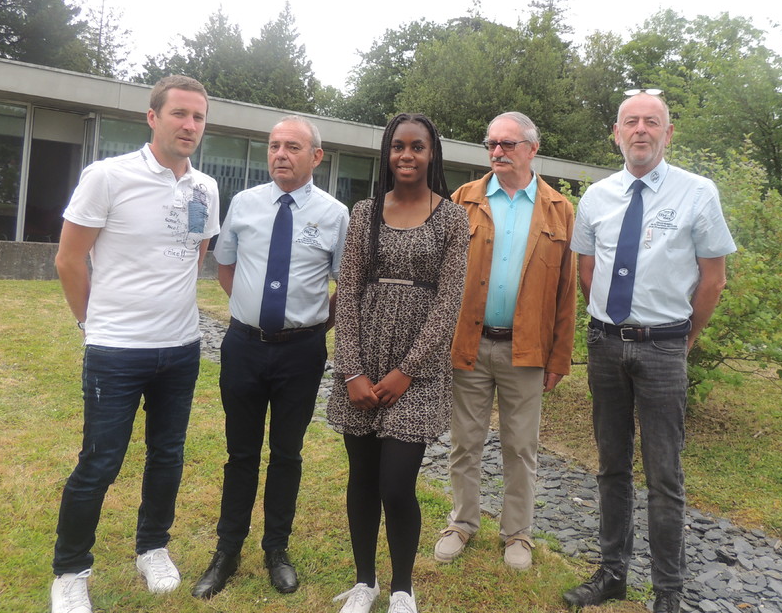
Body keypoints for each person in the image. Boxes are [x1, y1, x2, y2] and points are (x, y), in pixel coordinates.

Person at [50, 75, 220, 613]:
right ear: (152, 117)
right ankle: (70, 571)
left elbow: (194, 254)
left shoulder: (206, 187)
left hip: (181, 347)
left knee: (167, 456)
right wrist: (92, 324)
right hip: (117, 351)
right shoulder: (108, 177)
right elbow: (68, 259)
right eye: (179, 114)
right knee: (99, 462)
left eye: (198, 117)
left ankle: (152, 548)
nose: (189, 125)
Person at [564, 90, 736, 612]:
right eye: (631, 121)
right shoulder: (596, 197)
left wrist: (685, 338)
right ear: (616, 133)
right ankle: (612, 573)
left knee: (664, 474)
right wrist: (608, 321)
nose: (641, 129)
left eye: (652, 122)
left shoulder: (697, 193)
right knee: (611, 466)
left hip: (664, 347)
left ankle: (668, 592)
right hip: (605, 345)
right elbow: (586, 270)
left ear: (668, 133)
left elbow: (713, 278)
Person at [191, 116, 349, 598]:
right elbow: (226, 265)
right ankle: (227, 551)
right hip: (244, 347)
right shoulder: (244, 203)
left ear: (316, 156)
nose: (280, 154)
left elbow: (345, 284)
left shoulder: (336, 215)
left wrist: (310, 326)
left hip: (301, 353)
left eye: (292, 147)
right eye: (274, 145)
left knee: (286, 454)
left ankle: (276, 549)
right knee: (240, 453)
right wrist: (253, 312)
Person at [326, 113, 469, 613]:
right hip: (363, 360)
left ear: (432, 154)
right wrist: (352, 371)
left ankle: (403, 588)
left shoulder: (452, 218)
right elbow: (347, 293)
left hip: (418, 370)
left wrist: (407, 370)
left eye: (417, 147)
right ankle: (364, 582)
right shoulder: (365, 212)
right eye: (398, 146)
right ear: (387, 153)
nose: (406, 155)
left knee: (396, 484)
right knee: (362, 480)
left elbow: (449, 303)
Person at [433, 111, 576, 571]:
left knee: (520, 447)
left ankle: (518, 533)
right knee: (465, 442)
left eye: (508, 144)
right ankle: (461, 522)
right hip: (469, 345)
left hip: (527, 350)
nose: (497, 151)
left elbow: (566, 292)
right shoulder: (463, 200)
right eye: (491, 143)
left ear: (533, 149)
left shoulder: (559, 209)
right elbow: (440, 278)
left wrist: (559, 357)